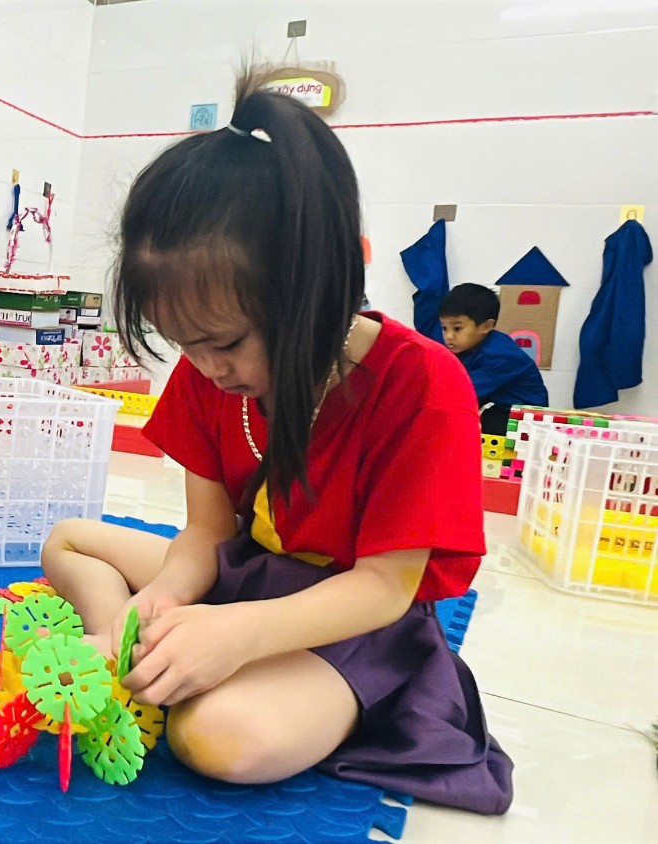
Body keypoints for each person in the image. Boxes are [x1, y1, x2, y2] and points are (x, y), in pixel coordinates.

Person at [40, 71, 513, 815]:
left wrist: (237, 633)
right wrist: (153, 609)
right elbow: (205, 534)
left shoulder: (421, 383)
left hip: (356, 617)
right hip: (251, 575)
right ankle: (119, 639)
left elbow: (385, 587)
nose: (206, 368)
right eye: (183, 344)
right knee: (67, 540)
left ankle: (198, 658)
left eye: (224, 342)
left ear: (313, 290)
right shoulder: (209, 374)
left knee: (218, 737)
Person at [439, 283, 549, 434]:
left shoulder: (499, 355)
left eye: (457, 328)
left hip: (526, 421)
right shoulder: (467, 346)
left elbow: (461, 392)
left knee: (458, 421)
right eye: (444, 328)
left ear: (486, 326)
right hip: (499, 408)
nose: (449, 336)